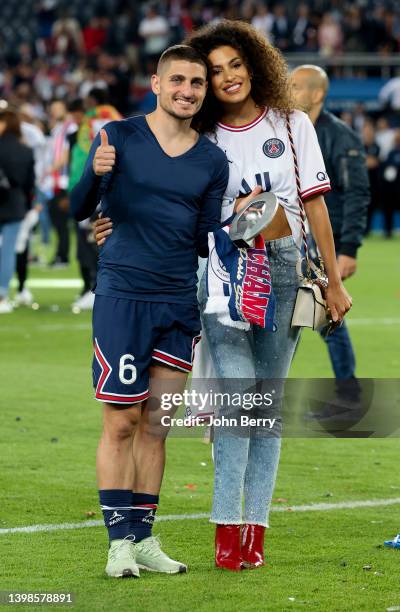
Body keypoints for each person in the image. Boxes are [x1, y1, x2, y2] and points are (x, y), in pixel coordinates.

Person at [95, 21, 352, 572]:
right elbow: (167, 204)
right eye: (215, 72)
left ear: (255, 65)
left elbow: (315, 208)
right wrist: (111, 224)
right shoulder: (201, 135)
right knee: (237, 403)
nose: (227, 77)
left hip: (284, 271)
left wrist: (334, 281)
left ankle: (255, 528)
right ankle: (224, 530)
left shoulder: (291, 123)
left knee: (266, 407)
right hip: (220, 273)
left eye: (235, 64)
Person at [70, 45, 230, 578]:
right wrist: (93, 174)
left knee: (158, 425)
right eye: (178, 80)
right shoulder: (118, 136)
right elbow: (75, 207)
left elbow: (208, 238)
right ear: (157, 83)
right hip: (123, 296)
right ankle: (117, 543)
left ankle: (142, 540)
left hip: (177, 301)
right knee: (121, 421)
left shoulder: (212, 159)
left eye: (198, 83)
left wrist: (247, 233)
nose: (188, 90)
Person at [290, 65, 369, 412]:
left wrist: (348, 248)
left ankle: (348, 392)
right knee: (313, 316)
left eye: (295, 86)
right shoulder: (291, 129)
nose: (288, 91)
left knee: (327, 316)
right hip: (296, 239)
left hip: (327, 240)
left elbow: (356, 193)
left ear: (317, 94)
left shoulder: (340, 136)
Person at [0, 109, 35, 313]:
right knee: (8, 251)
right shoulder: (25, 150)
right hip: (16, 204)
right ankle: (2, 294)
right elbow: (29, 182)